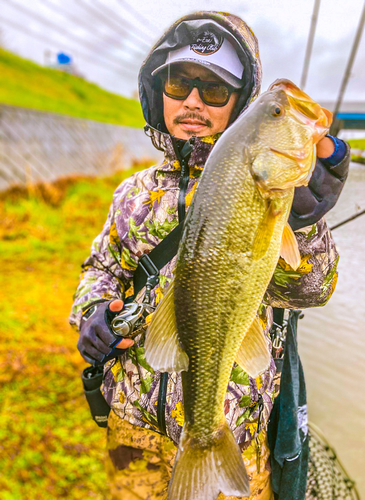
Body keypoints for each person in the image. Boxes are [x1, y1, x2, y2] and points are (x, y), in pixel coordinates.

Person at [69, 11, 350, 500]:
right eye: (179, 83)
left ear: (240, 104)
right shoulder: (131, 193)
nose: (193, 101)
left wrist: (302, 224)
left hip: (234, 436)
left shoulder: (275, 191)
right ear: (158, 92)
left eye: (215, 90)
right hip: (134, 424)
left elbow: (312, 289)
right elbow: (102, 265)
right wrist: (91, 310)